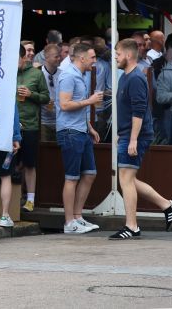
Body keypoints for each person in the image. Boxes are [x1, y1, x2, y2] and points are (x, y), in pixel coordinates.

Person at [110, 38, 172, 239]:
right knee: (128, 179)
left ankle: (132, 226)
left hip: (136, 137)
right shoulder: (126, 76)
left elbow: (139, 111)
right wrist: (121, 134)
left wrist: (132, 139)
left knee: (126, 180)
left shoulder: (135, 78)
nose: (115, 57)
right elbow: (128, 110)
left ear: (128, 55)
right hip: (128, 135)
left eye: (118, 53)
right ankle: (167, 205)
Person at [56, 43, 103, 234]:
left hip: (80, 130)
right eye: (92, 57)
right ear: (81, 58)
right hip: (69, 131)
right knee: (72, 177)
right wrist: (90, 101)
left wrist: (89, 127)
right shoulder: (68, 75)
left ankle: (77, 216)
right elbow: (65, 105)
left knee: (90, 173)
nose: (95, 61)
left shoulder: (81, 75)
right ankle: (69, 223)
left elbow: (76, 106)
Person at [16, 44, 50, 212]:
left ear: (24, 58)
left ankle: (30, 200)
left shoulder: (37, 74)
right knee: (11, 163)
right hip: (11, 126)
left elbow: (46, 98)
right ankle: (14, 198)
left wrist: (31, 94)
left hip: (30, 125)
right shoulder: (5, 73)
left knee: (30, 164)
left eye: (16, 59)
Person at [39, 43, 63, 142]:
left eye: (59, 56)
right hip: (43, 121)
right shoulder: (38, 73)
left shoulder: (62, 74)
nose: (59, 59)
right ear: (46, 57)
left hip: (59, 121)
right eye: (56, 56)